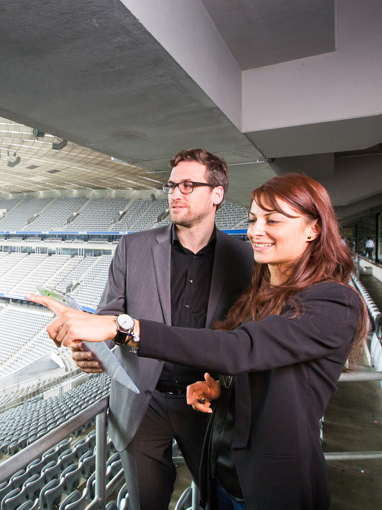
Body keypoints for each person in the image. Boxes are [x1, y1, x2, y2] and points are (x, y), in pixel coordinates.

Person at [29, 173, 367, 510]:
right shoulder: (261, 295)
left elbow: (240, 349)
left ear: (314, 228)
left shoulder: (335, 303)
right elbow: (266, 369)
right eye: (252, 220)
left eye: (273, 220)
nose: (256, 231)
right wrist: (225, 391)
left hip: (271, 488)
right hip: (221, 477)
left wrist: (122, 328)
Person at [48, 149, 254, 509]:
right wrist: (94, 352)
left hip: (208, 405)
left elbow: (248, 337)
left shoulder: (244, 259)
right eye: (172, 185)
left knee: (219, 502)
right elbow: (109, 316)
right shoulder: (133, 247)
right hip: (143, 404)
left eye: (189, 185)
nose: (176, 193)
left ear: (217, 194)